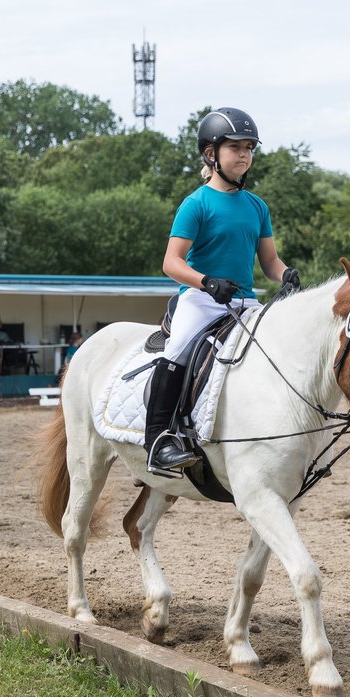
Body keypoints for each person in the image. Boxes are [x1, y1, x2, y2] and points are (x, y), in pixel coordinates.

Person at [147, 107, 300, 477]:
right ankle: (158, 440)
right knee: (179, 348)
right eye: (236, 147)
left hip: (244, 300)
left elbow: (269, 261)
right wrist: (206, 282)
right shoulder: (196, 204)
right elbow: (172, 262)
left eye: (249, 148)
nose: (245, 155)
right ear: (211, 153)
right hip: (201, 300)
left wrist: (287, 276)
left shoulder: (256, 206)